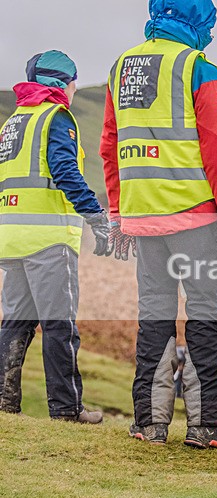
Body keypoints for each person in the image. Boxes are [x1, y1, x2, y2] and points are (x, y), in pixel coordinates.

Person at [100, 0, 217, 448]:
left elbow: (110, 147)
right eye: (210, 24)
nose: (212, 34)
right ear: (197, 21)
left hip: (144, 222)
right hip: (195, 219)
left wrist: (118, 215)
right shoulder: (198, 67)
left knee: (153, 319)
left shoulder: (120, 68)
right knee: (204, 316)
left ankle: (149, 424)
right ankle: (204, 426)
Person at [0, 50, 110, 423]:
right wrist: (96, 216)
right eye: (73, 82)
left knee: (16, 322)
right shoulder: (56, 117)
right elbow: (65, 171)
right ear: (62, 83)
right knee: (59, 324)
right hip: (48, 238)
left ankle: (4, 402)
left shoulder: (13, 122)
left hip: (12, 237)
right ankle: (66, 409)